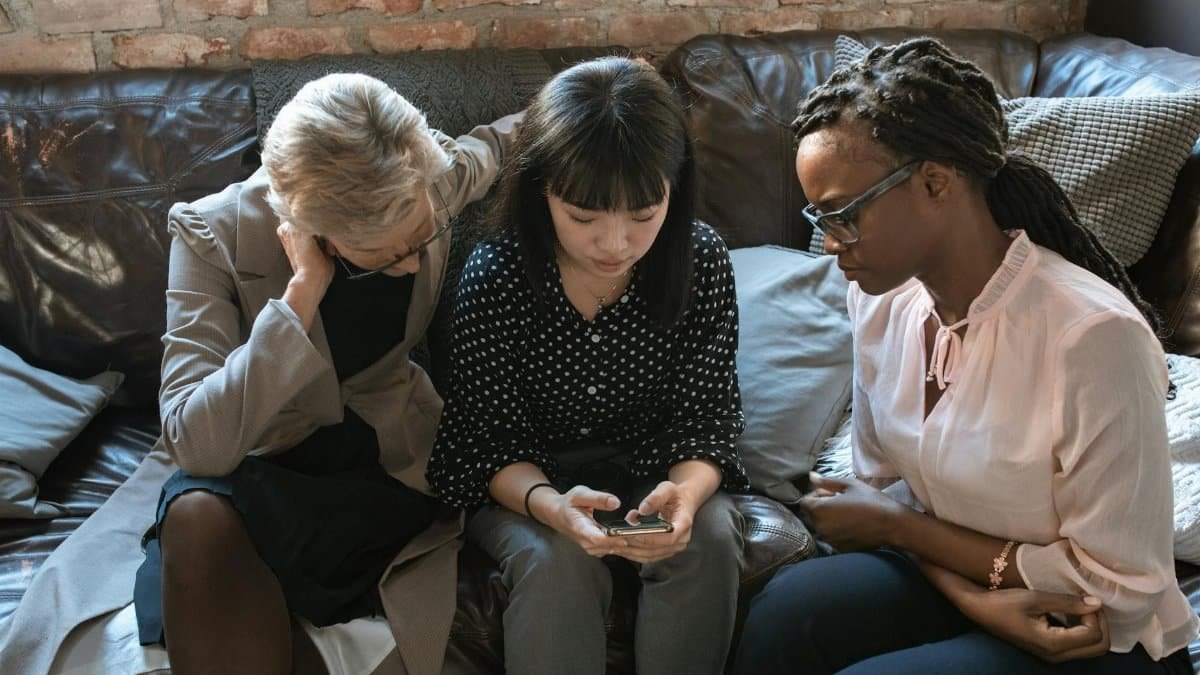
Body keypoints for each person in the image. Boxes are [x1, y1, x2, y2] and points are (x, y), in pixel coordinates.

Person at [733, 38, 1199, 675]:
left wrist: (903, 534)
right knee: (788, 612)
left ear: (935, 182)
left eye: (843, 214)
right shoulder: (880, 300)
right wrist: (970, 596)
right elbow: (884, 499)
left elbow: (1117, 590)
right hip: (962, 577)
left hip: (1092, 634)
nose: (830, 242)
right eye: (820, 215)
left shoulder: (1091, 337)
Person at [119, 73, 520, 675]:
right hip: (260, 465)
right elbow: (195, 442)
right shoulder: (211, 235)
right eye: (389, 255)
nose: (413, 260)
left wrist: (618, 83)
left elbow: (504, 140)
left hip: (378, 465)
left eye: (422, 236)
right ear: (315, 231)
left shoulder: (425, 179)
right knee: (195, 518)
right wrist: (300, 296)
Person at [426, 56, 750, 675]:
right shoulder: (496, 277)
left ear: (673, 190)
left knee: (705, 538)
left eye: (643, 215)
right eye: (583, 217)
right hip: (528, 486)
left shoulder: (700, 261)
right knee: (558, 562)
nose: (615, 244)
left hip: (654, 467)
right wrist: (551, 505)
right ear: (541, 188)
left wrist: (684, 494)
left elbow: (709, 421)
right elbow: (484, 444)